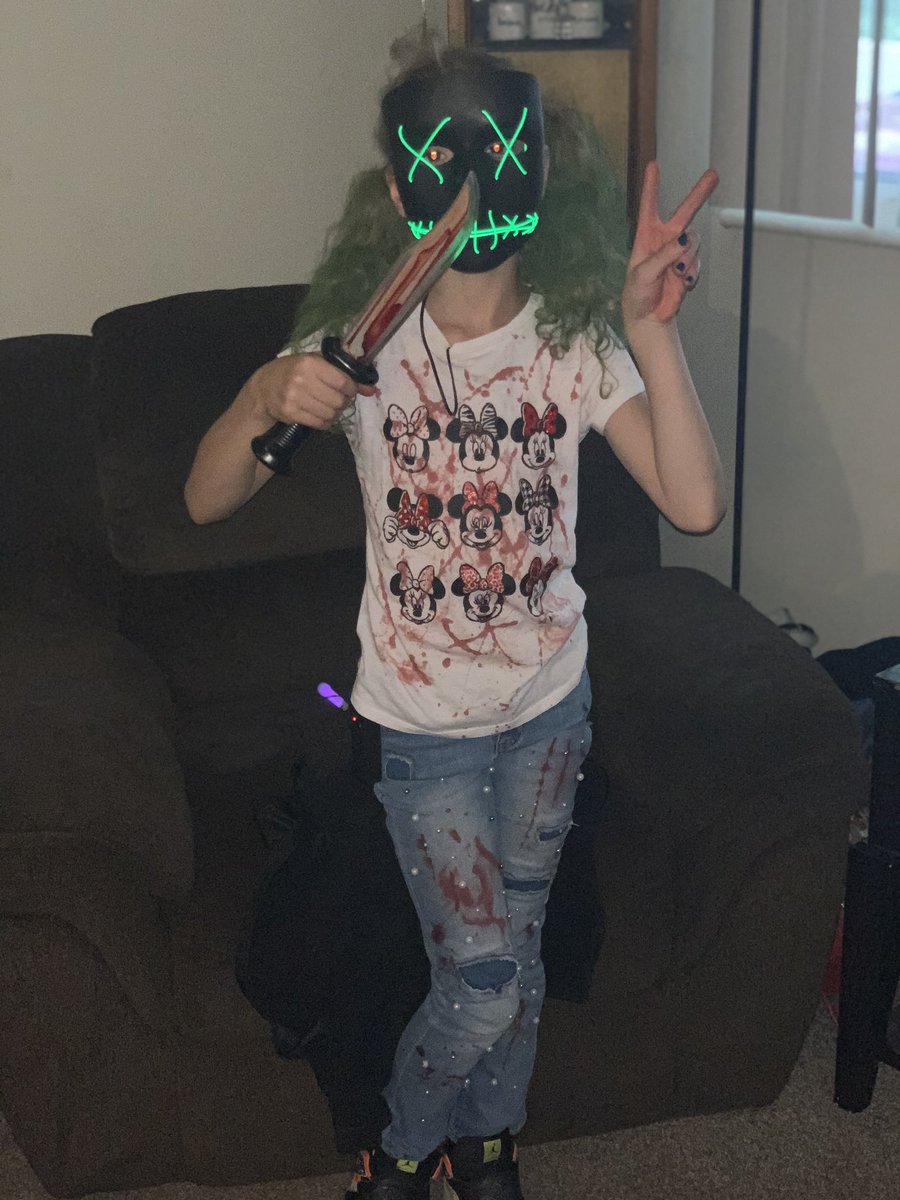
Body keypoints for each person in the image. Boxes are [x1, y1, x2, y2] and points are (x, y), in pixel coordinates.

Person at [185, 31, 725, 1200]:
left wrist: (651, 329)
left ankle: (486, 1144)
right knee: (480, 978)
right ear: (399, 188)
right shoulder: (359, 350)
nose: (476, 177)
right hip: (420, 731)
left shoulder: (576, 347)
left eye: (503, 152)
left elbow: (693, 504)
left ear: (540, 169)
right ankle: (399, 1150)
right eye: (441, 158)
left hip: (548, 718)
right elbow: (203, 499)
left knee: (515, 961)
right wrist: (264, 394)